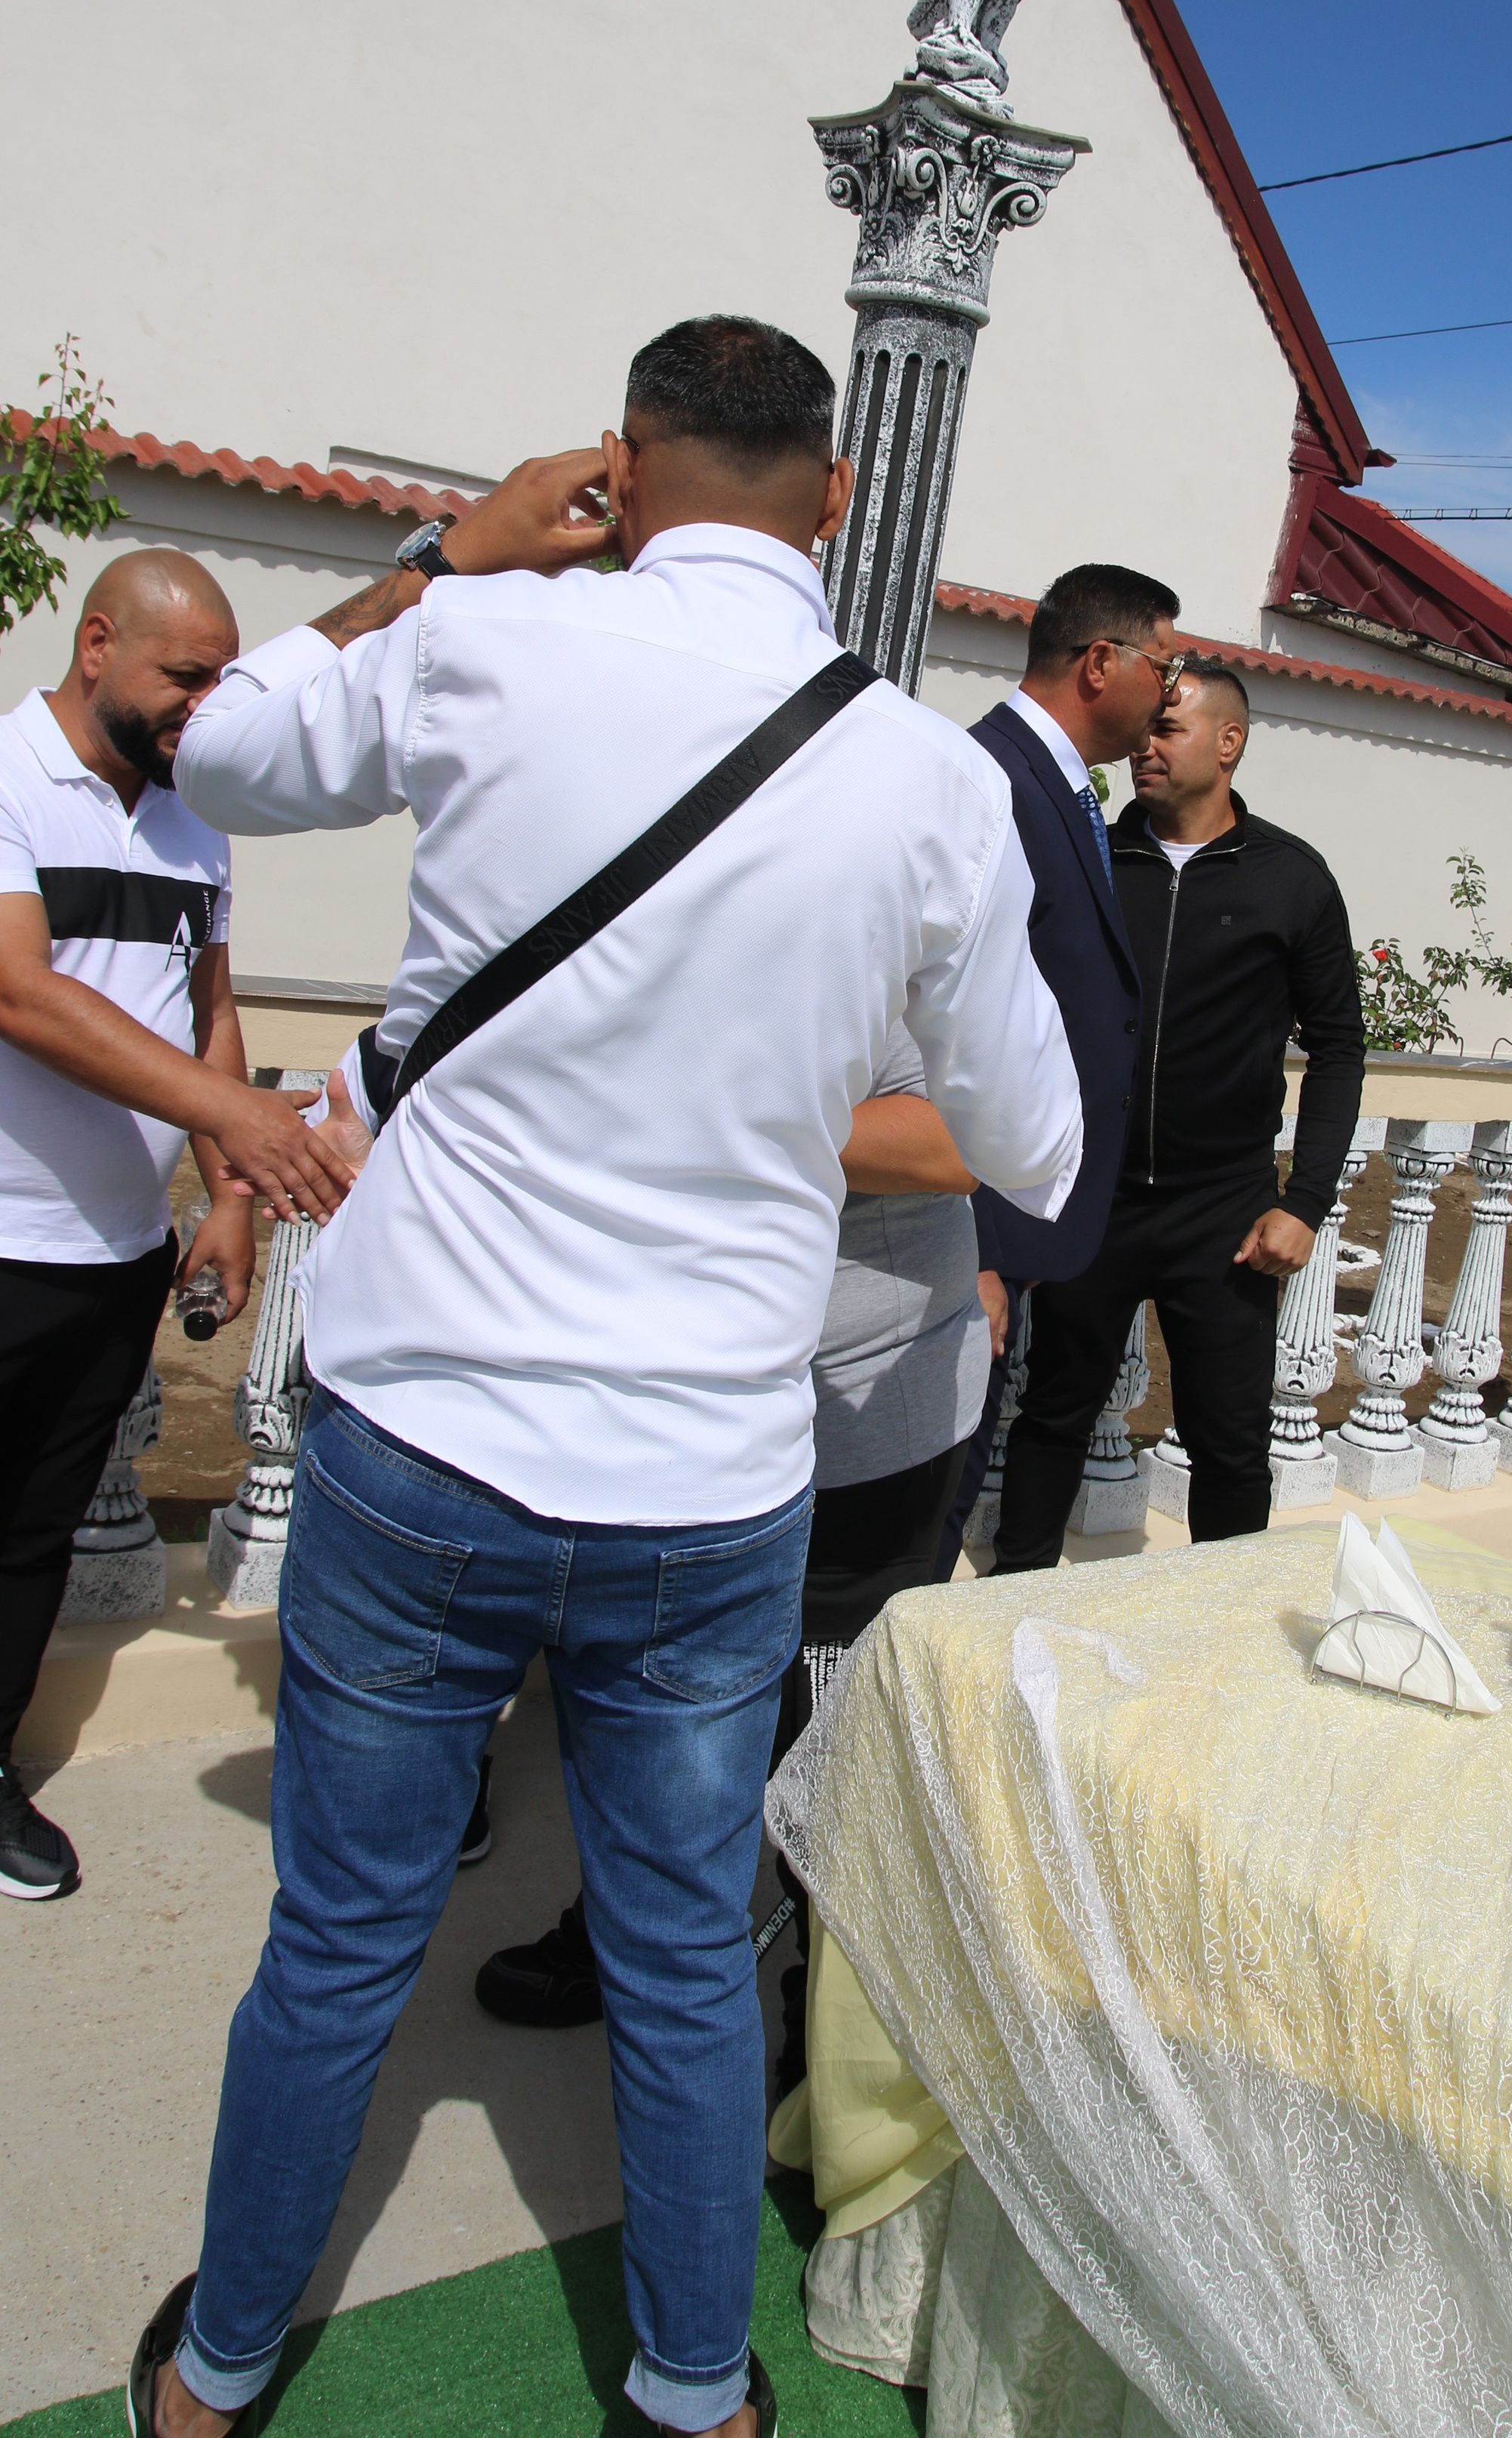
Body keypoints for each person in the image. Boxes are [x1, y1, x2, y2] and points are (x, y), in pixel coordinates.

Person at [129, 317, 1082, 2438]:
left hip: (422, 1426)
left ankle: (213, 2376)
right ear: (834, 501)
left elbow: (226, 750)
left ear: (622, 476)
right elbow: (1038, 1147)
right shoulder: (926, 778)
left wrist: (441, 550)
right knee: (674, 1945)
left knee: (343, 1935)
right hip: (705, 1468)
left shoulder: (488, 641)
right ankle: (687, 2385)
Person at [474, 1021, 988, 2035]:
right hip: (670, 1398)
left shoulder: (907, 884)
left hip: (859, 1405)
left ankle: (832, 2035)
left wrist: (683, 1109)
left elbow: (960, 1137)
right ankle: (626, 1932)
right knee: (655, 1704)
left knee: (833, 1738)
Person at [0, 551, 350, 1903]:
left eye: (221, 678)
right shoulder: (14, 779)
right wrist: (246, 1123)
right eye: (184, 676)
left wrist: (229, 1194)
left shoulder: (195, 818)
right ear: (96, 644)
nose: (206, 706)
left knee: (36, 1532)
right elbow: (22, 996)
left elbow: (208, 1011)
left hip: (110, 1256)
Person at [993, 659, 1366, 1572]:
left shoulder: (1293, 878)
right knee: (1049, 1417)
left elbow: (1340, 1049)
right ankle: (1006, 1607)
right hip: (1095, 1196)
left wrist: (1304, 1201)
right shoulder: (1092, 859)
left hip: (1226, 1212)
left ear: (1228, 743)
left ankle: (1220, 1635)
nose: (1142, 749)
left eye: (1168, 731)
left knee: (1229, 1442)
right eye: (1144, 730)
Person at [930, 561, 1183, 1579]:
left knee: (943, 1503)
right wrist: (977, 1249)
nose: (1170, 693)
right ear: (1101, 662)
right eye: (1163, 665)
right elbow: (941, 1030)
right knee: (922, 1511)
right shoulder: (991, 780)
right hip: (964, 1230)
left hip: (1014, 1221)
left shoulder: (1063, 789)